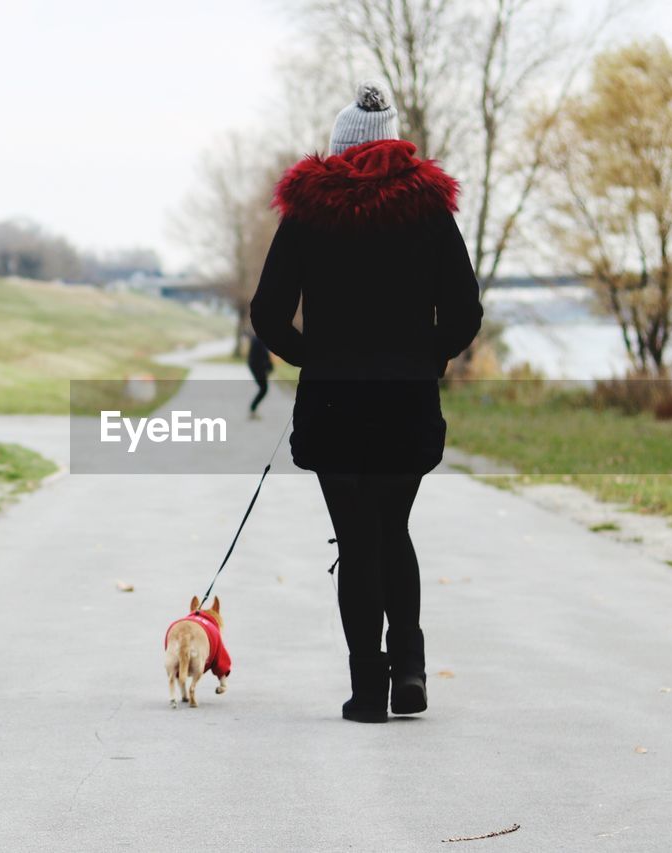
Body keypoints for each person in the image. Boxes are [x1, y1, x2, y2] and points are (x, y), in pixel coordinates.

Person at [250, 82, 482, 723]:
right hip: (406, 402)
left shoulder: (308, 213)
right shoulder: (430, 213)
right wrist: (427, 356)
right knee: (394, 529)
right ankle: (409, 669)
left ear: (339, 148)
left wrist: (309, 358)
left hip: (334, 405)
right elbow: (465, 311)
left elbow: (267, 312)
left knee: (356, 541)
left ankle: (368, 691)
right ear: (395, 145)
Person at [246, 331, 273, 417]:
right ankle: (252, 409)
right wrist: (268, 367)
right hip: (257, 367)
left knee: (263, 388)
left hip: (257, 367)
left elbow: (264, 354)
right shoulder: (259, 340)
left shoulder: (259, 338)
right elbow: (263, 355)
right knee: (264, 388)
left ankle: (253, 409)